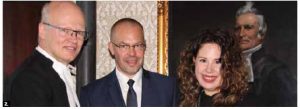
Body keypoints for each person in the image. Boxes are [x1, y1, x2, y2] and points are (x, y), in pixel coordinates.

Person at [79, 18, 176, 107]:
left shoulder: (168, 88)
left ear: (145, 46)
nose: (132, 53)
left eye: (138, 45)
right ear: (111, 48)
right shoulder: (92, 94)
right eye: (124, 46)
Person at [9, 1, 87, 107]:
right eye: (65, 30)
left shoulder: (59, 72)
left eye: (79, 32)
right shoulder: (29, 80)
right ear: (43, 31)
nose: (73, 39)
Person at [234, 2, 297, 106]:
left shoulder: (277, 71)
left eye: (248, 28)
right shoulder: (230, 66)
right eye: (237, 29)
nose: (241, 34)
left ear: (261, 32)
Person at [177, 29, 256, 106]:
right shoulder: (185, 101)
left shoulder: (248, 103)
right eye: (203, 60)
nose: (209, 69)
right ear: (194, 61)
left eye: (218, 61)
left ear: (231, 65)